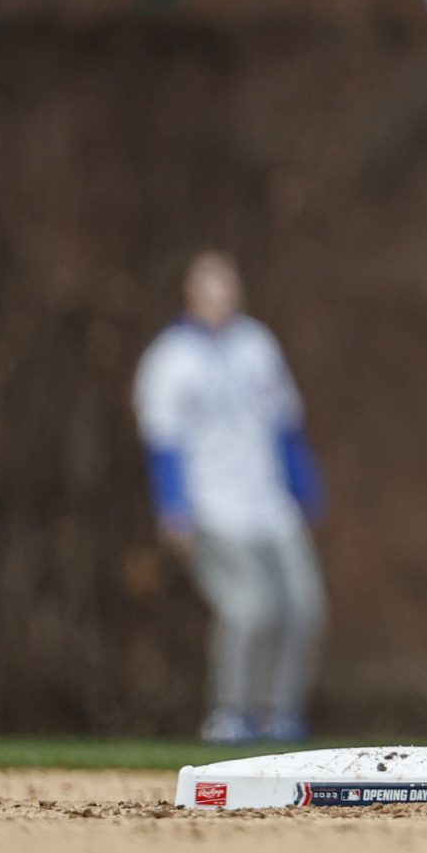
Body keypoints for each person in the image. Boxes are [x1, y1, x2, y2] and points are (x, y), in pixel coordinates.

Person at [133, 251, 328, 744]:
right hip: (213, 507)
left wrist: (305, 486)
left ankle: (281, 715)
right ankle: (231, 715)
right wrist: (173, 506)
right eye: (210, 288)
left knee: (305, 606)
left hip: (270, 503)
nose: (221, 298)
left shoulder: (256, 345)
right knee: (250, 607)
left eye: (228, 287)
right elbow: (164, 441)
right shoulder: (170, 360)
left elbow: (285, 423)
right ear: (192, 294)